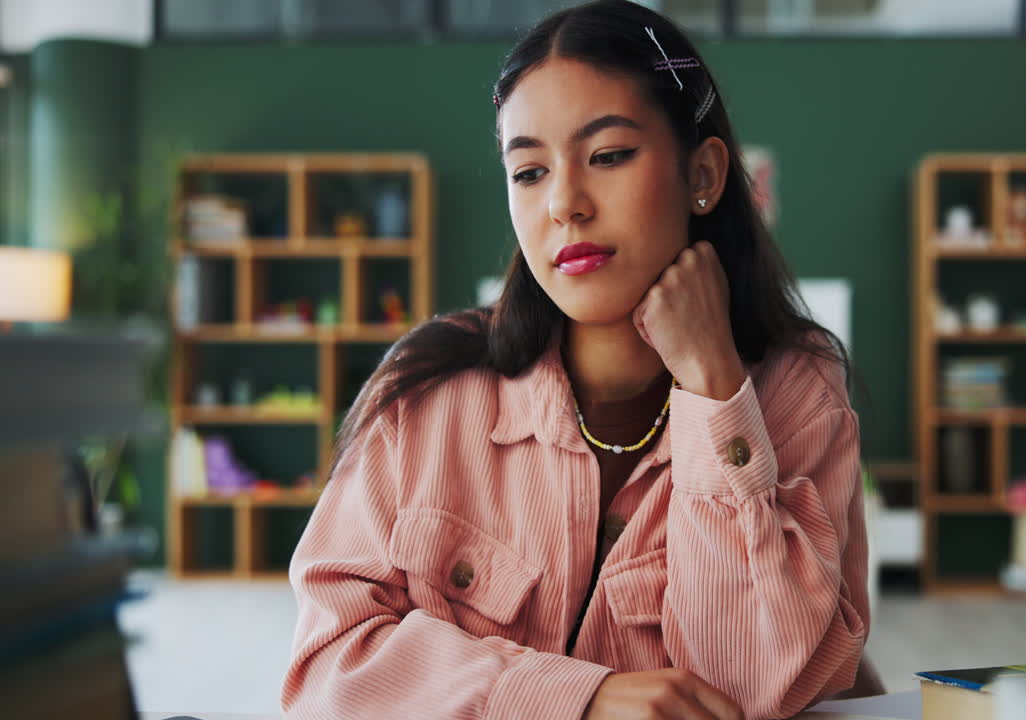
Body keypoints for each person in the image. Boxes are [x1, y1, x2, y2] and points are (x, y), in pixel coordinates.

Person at [281, 2, 868, 718]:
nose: (564, 203)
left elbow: (752, 689)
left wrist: (715, 388)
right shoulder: (428, 396)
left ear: (703, 174)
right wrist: (576, 702)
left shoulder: (799, 392)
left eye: (609, 155)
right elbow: (326, 672)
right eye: (528, 171)